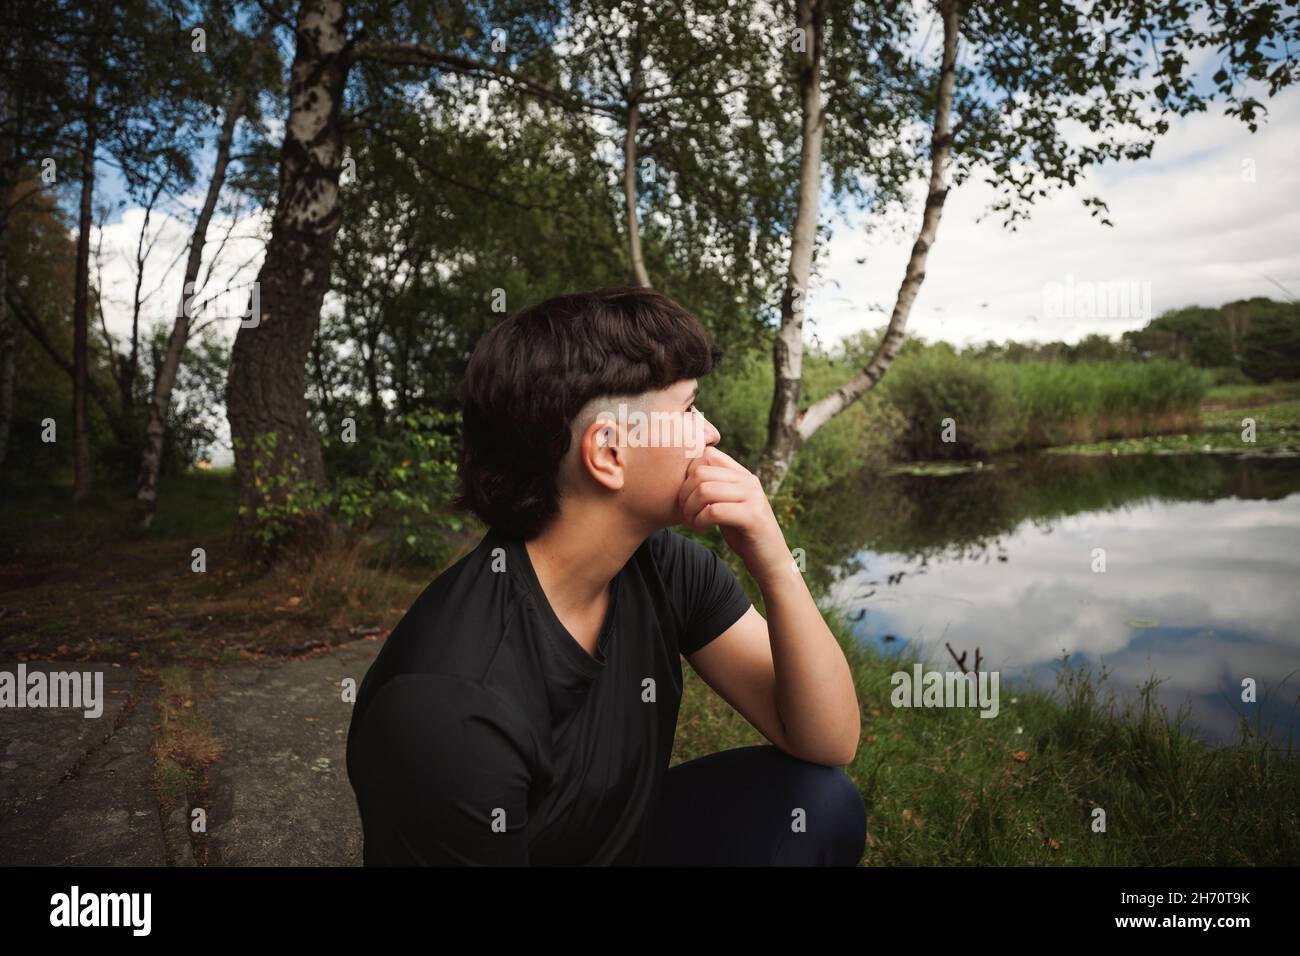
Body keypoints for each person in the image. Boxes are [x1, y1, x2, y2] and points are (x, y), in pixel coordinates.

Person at [345, 286, 867, 866]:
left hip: (620, 845)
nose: (711, 432)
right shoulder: (449, 706)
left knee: (816, 804)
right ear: (608, 454)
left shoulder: (664, 566)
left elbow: (827, 739)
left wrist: (773, 561)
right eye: (690, 410)